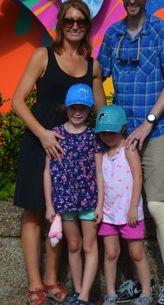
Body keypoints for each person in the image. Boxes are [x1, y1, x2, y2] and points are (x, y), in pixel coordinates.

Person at [98, 0, 164, 305]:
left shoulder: (163, 31)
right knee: (122, 206)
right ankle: (137, 282)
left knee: (156, 204)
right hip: (121, 138)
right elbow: (97, 75)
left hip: (156, 130)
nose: (132, 0)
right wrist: (101, 116)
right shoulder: (113, 35)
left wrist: (149, 122)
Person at [13, 0, 102, 305]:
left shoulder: (92, 66)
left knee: (62, 213)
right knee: (35, 212)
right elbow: (17, 102)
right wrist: (42, 134)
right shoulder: (42, 55)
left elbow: (101, 114)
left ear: (88, 27)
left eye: (81, 22)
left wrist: (116, 148)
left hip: (71, 151)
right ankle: (35, 284)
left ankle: (52, 280)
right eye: (69, 21)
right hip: (40, 142)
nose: (75, 26)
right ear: (61, 25)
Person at [44, 84, 102, 305]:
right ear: (66, 107)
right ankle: (78, 292)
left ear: (89, 110)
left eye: (83, 108)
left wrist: (100, 204)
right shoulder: (55, 135)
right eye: (73, 107)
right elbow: (47, 172)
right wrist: (50, 205)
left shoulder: (93, 136)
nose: (78, 112)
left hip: (89, 200)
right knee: (74, 245)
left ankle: (85, 294)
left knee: (89, 246)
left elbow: (99, 172)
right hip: (65, 201)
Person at [95, 104, 153, 305]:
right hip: (109, 213)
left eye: (111, 131)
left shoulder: (128, 149)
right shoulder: (101, 154)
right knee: (110, 253)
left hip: (130, 213)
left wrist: (132, 207)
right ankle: (110, 293)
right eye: (103, 132)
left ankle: (147, 292)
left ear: (122, 129)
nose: (107, 136)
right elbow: (100, 181)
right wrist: (99, 208)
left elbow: (138, 177)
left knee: (136, 252)